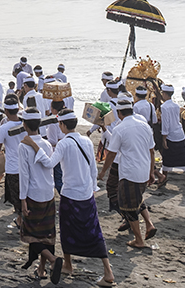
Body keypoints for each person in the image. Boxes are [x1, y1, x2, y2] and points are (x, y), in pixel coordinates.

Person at [22, 108, 116, 285]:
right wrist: (93, 186)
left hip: (70, 194)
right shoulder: (87, 140)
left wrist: (34, 145)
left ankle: (68, 264)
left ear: (62, 125)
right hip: (87, 193)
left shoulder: (64, 143)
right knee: (94, 232)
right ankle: (107, 271)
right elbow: (93, 167)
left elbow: (49, 163)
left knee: (67, 230)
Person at [98, 100, 157, 248]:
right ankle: (148, 226)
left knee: (128, 206)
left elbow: (111, 153)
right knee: (136, 200)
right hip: (143, 170)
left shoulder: (121, 128)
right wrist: (151, 171)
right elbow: (151, 150)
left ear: (119, 113)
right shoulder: (145, 126)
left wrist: (103, 171)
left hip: (130, 172)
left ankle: (139, 240)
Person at [16, 107, 64, 284]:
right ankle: (42, 269)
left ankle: (52, 260)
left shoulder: (24, 146)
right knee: (47, 233)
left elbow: (24, 175)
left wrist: (22, 200)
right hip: (48, 191)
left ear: (24, 125)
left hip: (33, 193)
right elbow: (49, 168)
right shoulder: (45, 144)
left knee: (30, 235)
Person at [157, 84, 185, 188]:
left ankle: (163, 178)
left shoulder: (164, 107)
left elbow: (165, 124)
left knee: (167, 158)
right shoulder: (176, 106)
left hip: (171, 135)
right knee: (184, 158)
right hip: (179, 134)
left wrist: (164, 138)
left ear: (164, 94)